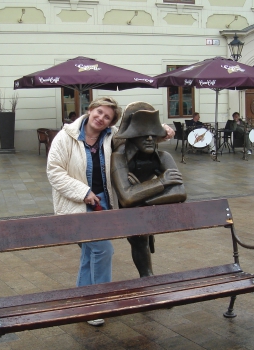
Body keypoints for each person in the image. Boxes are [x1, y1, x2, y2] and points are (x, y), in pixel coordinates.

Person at [46, 97, 174, 327]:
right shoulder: (66, 137)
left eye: (107, 117)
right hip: (78, 202)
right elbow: (54, 172)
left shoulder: (110, 136)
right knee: (103, 249)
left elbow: (138, 132)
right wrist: (83, 192)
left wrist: (164, 130)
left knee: (90, 253)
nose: (101, 119)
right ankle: (99, 305)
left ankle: (83, 301)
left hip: (103, 202)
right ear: (91, 110)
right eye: (99, 113)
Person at [111, 102, 186, 278]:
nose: (150, 139)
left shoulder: (163, 157)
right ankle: (148, 278)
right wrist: (161, 182)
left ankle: (148, 279)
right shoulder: (119, 157)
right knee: (139, 240)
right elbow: (126, 199)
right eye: (143, 134)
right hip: (117, 208)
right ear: (132, 136)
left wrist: (141, 193)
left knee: (140, 239)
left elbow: (180, 192)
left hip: (139, 207)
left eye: (153, 133)